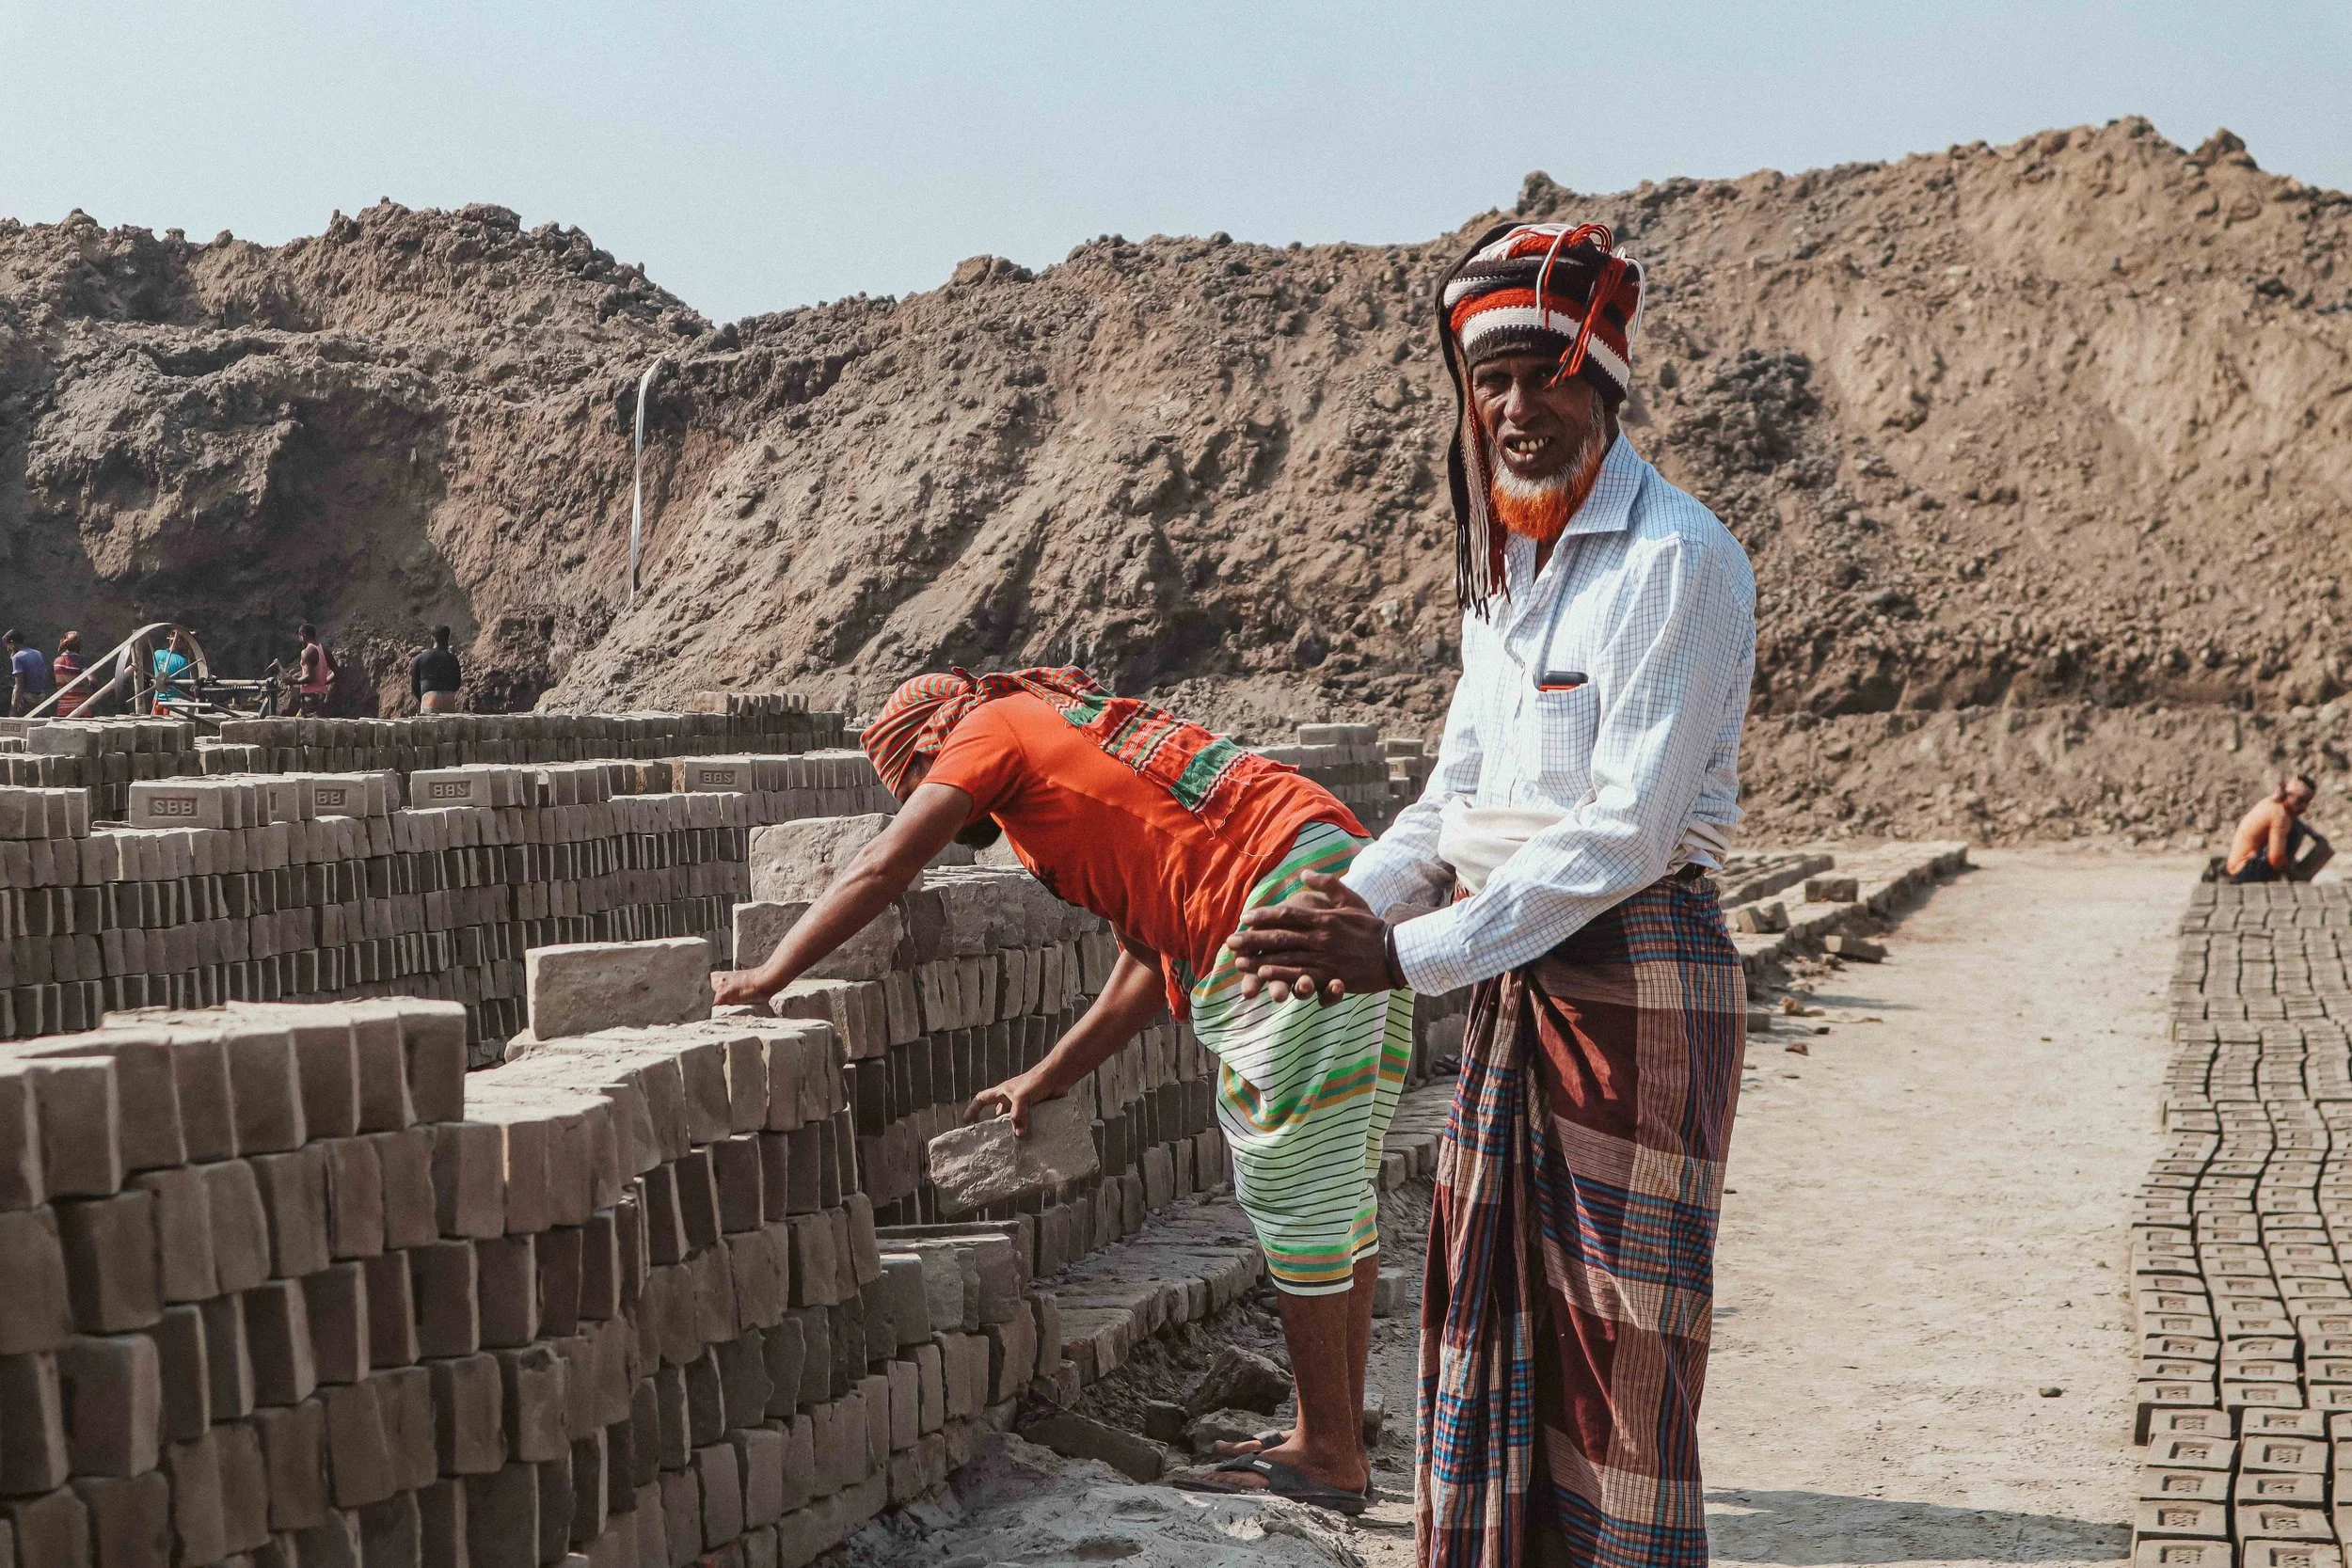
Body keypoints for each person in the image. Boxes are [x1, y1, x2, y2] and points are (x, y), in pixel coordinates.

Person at [1223, 222, 1757, 1568]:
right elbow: (1455, 801)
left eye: (1541, 375)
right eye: (1489, 384)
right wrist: (1337, 907)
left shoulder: (1676, 560)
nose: (1514, 411)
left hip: (1632, 974)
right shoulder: (1504, 582)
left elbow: (1623, 833)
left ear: (1606, 378)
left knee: (1615, 1344)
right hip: (1520, 971)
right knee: (1491, 1310)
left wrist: (1402, 956)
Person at [710, 667, 1410, 1514]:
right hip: (1345, 875)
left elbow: (885, 863)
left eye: (917, 782)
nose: (927, 799)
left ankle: (1329, 1452)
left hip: (1270, 902)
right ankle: (1327, 1432)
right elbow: (1150, 960)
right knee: (1335, 1185)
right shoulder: (1072, 740)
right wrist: (1046, 1078)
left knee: (1289, 1183)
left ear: (933, 741)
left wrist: (770, 972)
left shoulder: (991, 724)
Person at [2227, 775, 2332, 883]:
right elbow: (2275, 859)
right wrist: (2294, 873)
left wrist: (2315, 836)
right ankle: (2289, 878)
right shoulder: (2280, 815)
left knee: (2297, 827)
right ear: (2288, 794)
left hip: (2237, 866)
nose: (2303, 807)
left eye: (2306, 802)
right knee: (2295, 832)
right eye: (2300, 801)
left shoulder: (2272, 803)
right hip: (2243, 870)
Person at [412, 626, 463, 713]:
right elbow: (457, 684)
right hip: (449, 699)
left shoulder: (420, 657)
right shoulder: (453, 659)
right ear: (448, 639)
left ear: (432, 638)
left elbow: (414, 685)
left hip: (429, 698)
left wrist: (423, 699)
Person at [151, 629, 197, 715]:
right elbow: (184, 684)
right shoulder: (181, 661)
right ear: (179, 641)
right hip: (172, 703)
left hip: (157, 700)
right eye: (185, 642)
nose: (186, 645)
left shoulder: (157, 654)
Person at [4, 630, 49, 718]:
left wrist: (13, 711)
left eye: (8, 645)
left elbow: (19, 686)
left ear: (12, 642)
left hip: (27, 699)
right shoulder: (37, 653)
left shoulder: (17, 657)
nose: (8, 649)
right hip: (41, 698)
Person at [295, 623, 336, 715]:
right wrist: (323, 681)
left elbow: (309, 678)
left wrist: (292, 680)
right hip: (321, 696)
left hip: (309, 698)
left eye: (299, 635)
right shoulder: (325, 651)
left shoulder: (307, 652)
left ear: (303, 635)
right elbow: (337, 672)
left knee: (302, 726)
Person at [48, 630, 89, 717]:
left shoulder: (56, 662)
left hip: (63, 708)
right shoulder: (80, 661)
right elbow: (92, 680)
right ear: (79, 646)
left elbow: (52, 681)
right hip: (81, 708)